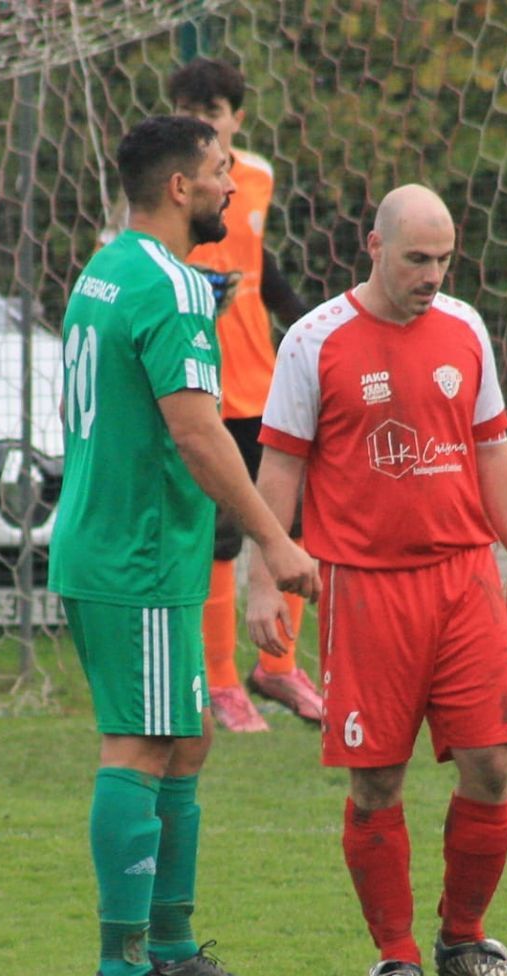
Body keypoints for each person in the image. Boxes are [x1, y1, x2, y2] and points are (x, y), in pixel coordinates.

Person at [246, 184, 507, 976]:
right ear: (374, 248)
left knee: (491, 764)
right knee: (376, 777)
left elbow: (491, 451)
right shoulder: (315, 341)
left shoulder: (466, 328)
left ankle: (465, 938)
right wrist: (265, 579)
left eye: (445, 259)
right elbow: (280, 464)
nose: (433, 276)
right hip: (367, 589)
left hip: (464, 579)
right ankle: (396, 954)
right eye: (417, 259)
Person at [50, 115, 321, 976]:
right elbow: (200, 435)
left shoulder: (109, 267)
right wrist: (274, 542)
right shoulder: (170, 286)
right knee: (139, 745)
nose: (230, 188)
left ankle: (168, 944)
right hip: (137, 557)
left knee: (189, 737)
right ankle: (124, 960)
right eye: (217, 172)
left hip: (117, 546)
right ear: (179, 187)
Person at [167, 57, 322, 734]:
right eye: (190, 112)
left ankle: (278, 667)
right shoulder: (163, 187)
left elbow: (264, 269)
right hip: (198, 388)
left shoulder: (255, 178)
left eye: (214, 112)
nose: (203, 123)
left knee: (293, 525)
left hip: (263, 382)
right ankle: (222, 683)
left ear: (236, 118)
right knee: (220, 539)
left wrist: (314, 324)